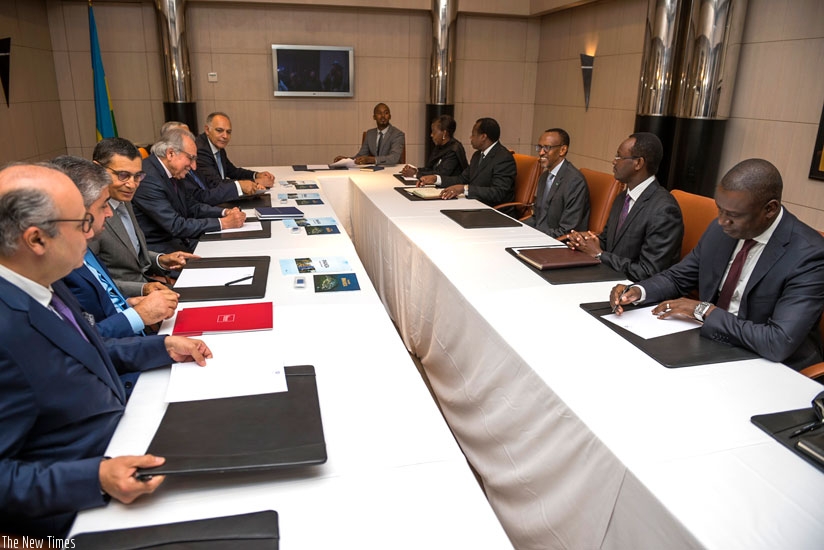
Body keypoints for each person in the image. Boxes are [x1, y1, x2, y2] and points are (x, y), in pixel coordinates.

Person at [0, 163, 212, 538]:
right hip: (75, 517)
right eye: (83, 222)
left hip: (128, 438)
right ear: (36, 240)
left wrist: (160, 346)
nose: (94, 231)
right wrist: (96, 477)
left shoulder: (41, 279)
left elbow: (82, 353)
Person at [610, 159, 824, 371]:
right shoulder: (722, 229)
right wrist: (637, 291)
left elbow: (777, 341)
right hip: (710, 343)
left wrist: (703, 310)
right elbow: (678, 277)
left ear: (770, 209)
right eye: (719, 209)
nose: (721, 221)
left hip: (769, 366)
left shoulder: (809, 255)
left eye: (732, 215)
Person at [54, 156, 179, 339]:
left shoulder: (122, 205)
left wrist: (128, 305)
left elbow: (102, 300)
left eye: (137, 176)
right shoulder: (61, 263)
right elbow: (84, 340)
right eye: (123, 175)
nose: (110, 213)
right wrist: (137, 315)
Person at [566, 132, 683, 281]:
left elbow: (648, 272)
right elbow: (608, 242)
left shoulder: (664, 210)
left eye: (619, 157)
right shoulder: (623, 197)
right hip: (608, 277)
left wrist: (599, 254)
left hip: (634, 292)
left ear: (638, 163)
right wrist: (586, 242)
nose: (614, 161)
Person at [90, 137, 197, 297]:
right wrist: (142, 289)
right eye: (123, 175)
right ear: (97, 169)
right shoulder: (90, 215)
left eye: (137, 176)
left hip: (150, 287)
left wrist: (161, 260)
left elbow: (132, 255)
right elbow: (95, 281)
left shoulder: (123, 199)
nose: (132, 185)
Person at [132, 128, 246, 253]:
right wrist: (223, 223)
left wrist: (224, 212)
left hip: (181, 240)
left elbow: (191, 206)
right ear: (170, 154)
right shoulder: (148, 179)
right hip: (164, 251)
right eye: (191, 158)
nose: (194, 166)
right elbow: (175, 225)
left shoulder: (173, 171)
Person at [419, 117, 516, 207]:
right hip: (474, 204)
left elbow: (498, 192)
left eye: (473, 135)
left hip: (493, 210)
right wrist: (436, 179)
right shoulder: (477, 155)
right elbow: (462, 179)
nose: (471, 138)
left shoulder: (503, 158)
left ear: (483, 137)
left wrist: (464, 189)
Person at [522, 128, 590, 237]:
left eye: (547, 148)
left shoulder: (575, 181)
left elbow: (567, 230)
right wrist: (517, 227)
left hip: (558, 243)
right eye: (539, 147)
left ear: (562, 150)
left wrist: (535, 236)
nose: (541, 152)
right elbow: (537, 218)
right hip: (540, 236)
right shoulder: (544, 177)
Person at [195, 112, 275, 189]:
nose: (225, 136)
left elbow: (233, 171)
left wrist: (256, 175)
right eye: (219, 130)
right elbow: (216, 184)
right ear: (207, 130)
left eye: (228, 132)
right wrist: (255, 182)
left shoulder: (216, 145)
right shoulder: (201, 150)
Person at [335, 103, 406, 166]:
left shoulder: (398, 134)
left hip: (391, 172)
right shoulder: (370, 134)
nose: (383, 116)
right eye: (379, 113)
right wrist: (346, 159)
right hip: (373, 173)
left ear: (390, 116)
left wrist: (371, 160)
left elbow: (393, 158)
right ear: (374, 117)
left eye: (386, 113)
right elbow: (361, 156)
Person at [401, 114, 468, 179]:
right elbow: (430, 168)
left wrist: (416, 174)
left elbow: (442, 174)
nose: (431, 135)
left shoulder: (454, 150)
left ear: (444, 133)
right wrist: (416, 170)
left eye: (434, 132)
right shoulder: (439, 146)